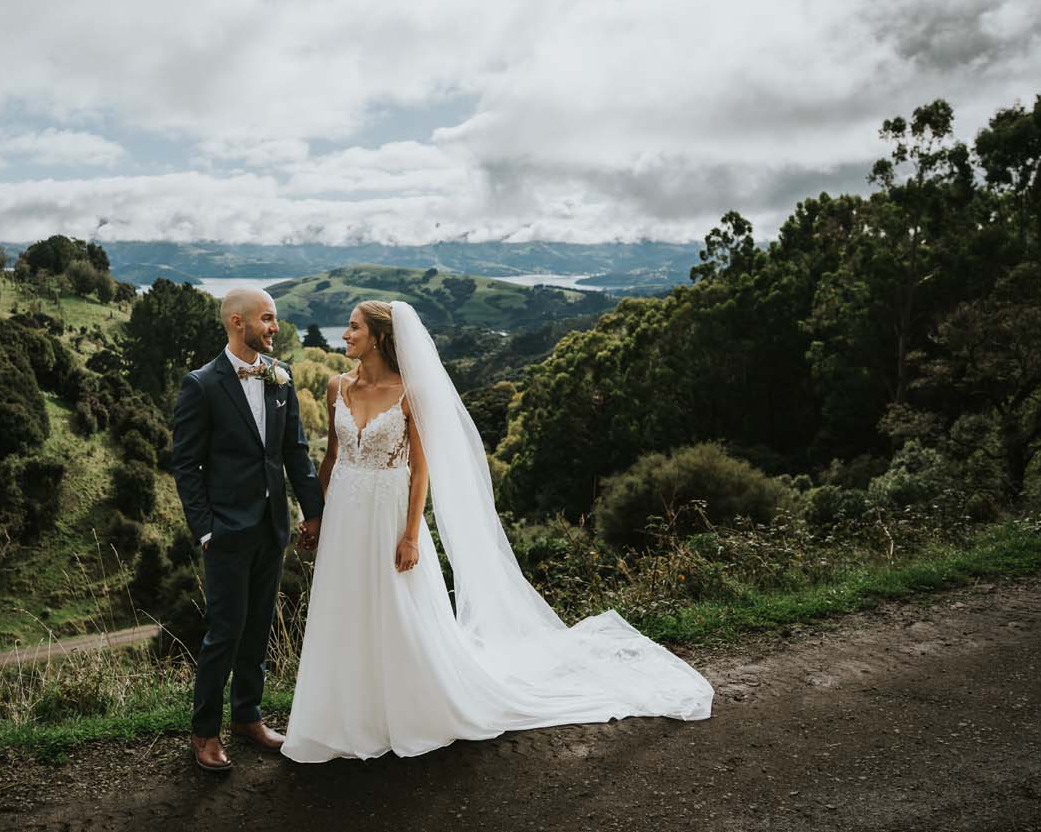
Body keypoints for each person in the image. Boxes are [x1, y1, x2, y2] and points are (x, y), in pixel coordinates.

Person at [282, 300, 713, 763]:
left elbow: (421, 472)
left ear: (380, 337)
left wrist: (411, 535)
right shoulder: (335, 387)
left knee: (396, 608)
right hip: (345, 513)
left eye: (353, 328)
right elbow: (330, 458)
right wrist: (315, 515)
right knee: (344, 606)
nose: (344, 336)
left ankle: (403, 709)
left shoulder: (411, 392)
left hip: (388, 515)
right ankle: (340, 715)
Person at [170, 288, 324, 772]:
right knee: (225, 632)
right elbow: (186, 465)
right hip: (227, 533)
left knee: (258, 628)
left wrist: (313, 512)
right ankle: (204, 733)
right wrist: (206, 530)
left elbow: (295, 452)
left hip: (272, 527)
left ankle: (248, 718)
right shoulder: (202, 385)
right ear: (238, 322)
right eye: (268, 319)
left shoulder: (281, 378)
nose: (275, 327)